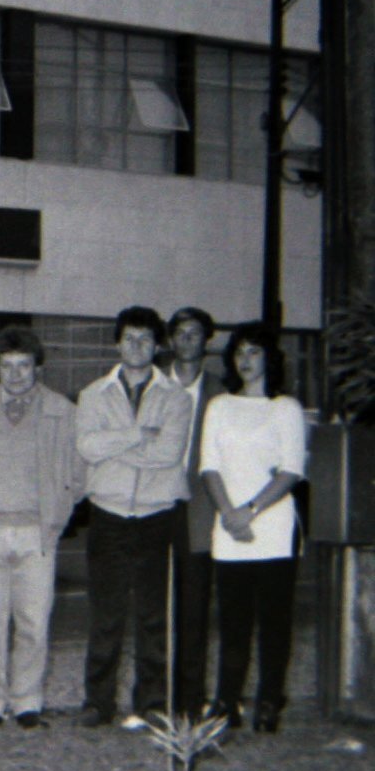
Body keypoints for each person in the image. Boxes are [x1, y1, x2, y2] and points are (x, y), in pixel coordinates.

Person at [0, 327, 83, 729]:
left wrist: (58, 510)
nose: (16, 374)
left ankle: (27, 701)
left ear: (37, 367)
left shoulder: (63, 412)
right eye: (7, 366)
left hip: (36, 533)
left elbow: (80, 469)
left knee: (33, 623)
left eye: (24, 366)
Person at [74, 306, 193, 729]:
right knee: (106, 614)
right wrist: (139, 434)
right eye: (129, 339)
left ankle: (152, 703)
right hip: (107, 514)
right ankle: (97, 703)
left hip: (156, 516)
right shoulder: (93, 394)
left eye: (145, 339)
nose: (137, 346)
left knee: (152, 614)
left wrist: (116, 445)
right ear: (116, 343)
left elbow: (168, 454)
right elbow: (87, 448)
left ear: (158, 345)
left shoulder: (176, 398)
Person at [200, 323, 307, 733]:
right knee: (232, 625)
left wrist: (250, 510)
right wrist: (230, 514)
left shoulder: (287, 408)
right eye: (239, 352)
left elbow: (291, 470)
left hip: (274, 530)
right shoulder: (219, 406)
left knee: (274, 624)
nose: (245, 360)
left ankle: (268, 702)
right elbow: (209, 467)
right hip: (229, 532)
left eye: (255, 352)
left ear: (270, 359)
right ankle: (226, 702)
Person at [166, 306, 225, 720]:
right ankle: (154, 697)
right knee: (153, 608)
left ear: (207, 341)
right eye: (180, 332)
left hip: (200, 510)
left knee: (194, 606)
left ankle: (190, 699)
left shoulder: (222, 395)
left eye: (196, 333)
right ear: (170, 340)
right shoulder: (152, 386)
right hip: (154, 506)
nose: (187, 339)